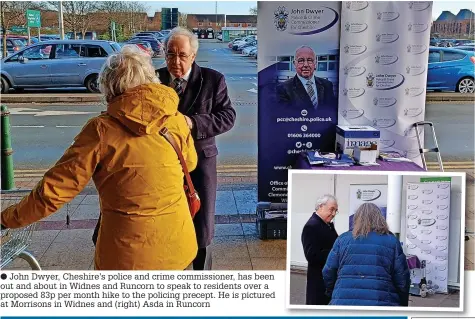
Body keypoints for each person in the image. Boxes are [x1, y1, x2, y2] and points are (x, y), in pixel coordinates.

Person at [1, 45, 199, 270]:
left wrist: (7, 219)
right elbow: (189, 163)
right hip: (179, 244)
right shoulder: (175, 119)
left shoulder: (101, 130)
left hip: (129, 257)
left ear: (110, 85)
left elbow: (54, 191)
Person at [156, 27, 236, 270]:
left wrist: (192, 123)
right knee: (167, 221)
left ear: (193, 56)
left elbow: (227, 116)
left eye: (182, 55)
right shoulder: (154, 79)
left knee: (200, 224)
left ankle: (201, 277)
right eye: (170, 54)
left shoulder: (213, 79)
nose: (175, 61)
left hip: (201, 162)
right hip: (163, 163)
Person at [322, 203, 411, 306]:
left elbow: (328, 271)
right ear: (380, 218)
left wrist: (333, 292)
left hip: (344, 304)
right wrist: (402, 303)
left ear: (357, 219)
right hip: (381, 305)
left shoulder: (342, 240)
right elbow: (402, 278)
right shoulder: (392, 242)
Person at [301, 194, 339, 305]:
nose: (333, 214)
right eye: (331, 209)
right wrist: (335, 254)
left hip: (328, 279)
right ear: (320, 206)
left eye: (336, 211)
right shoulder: (312, 226)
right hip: (319, 280)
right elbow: (312, 256)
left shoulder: (326, 225)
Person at [277, 45, 336, 110]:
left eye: (310, 60)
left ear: (315, 64)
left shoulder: (327, 85)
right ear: (294, 64)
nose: (306, 65)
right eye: (301, 60)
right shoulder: (283, 89)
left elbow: (331, 112)